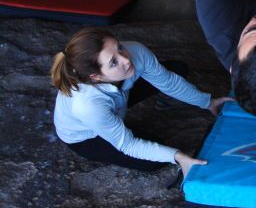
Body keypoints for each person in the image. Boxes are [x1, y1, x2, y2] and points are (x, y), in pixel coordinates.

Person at [52, 28, 229, 176]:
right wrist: (177, 157)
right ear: (96, 77)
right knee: (154, 160)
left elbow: (168, 82)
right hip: (87, 135)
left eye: (119, 47)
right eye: (114, 62)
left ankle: (164, 103)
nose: (126, 59)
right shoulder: (87, 105)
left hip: (118, 95)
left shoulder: (133, 52)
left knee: (176, 69)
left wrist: (208, 102)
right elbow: (127, 144)